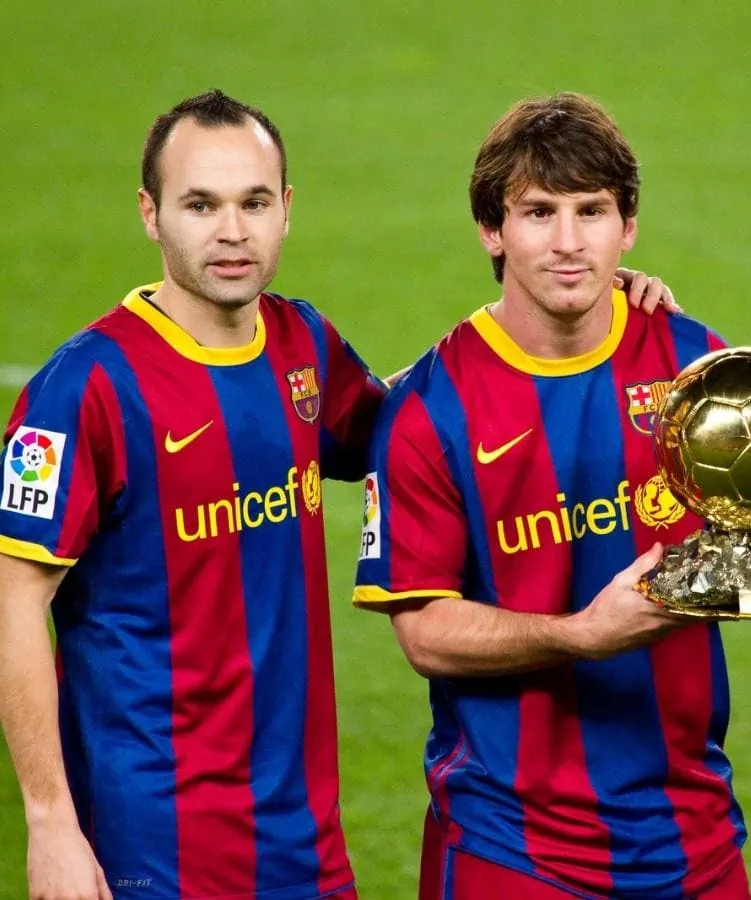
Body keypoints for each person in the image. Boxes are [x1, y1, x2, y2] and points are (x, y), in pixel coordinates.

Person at [0, 89, 675, 900]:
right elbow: (12, 600)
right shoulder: (85, 389)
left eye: (253, 202)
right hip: (148, 845)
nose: (231, 231)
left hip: (304, 846)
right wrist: (50, 824)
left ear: (285, 209)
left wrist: (576, 295)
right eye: (199, 204)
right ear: (151, 214)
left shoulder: (303, 347)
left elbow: (426, 422)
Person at [353, 92, 751, 900]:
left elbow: (748, 535)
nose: (570, 243)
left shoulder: (695, 364)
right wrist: (581, 635)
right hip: (511, 846)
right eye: (539, 213)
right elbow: (425, 632)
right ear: (491, 231)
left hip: (694, 835)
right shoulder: (433, 407)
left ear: (629, 226)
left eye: (593, 211)